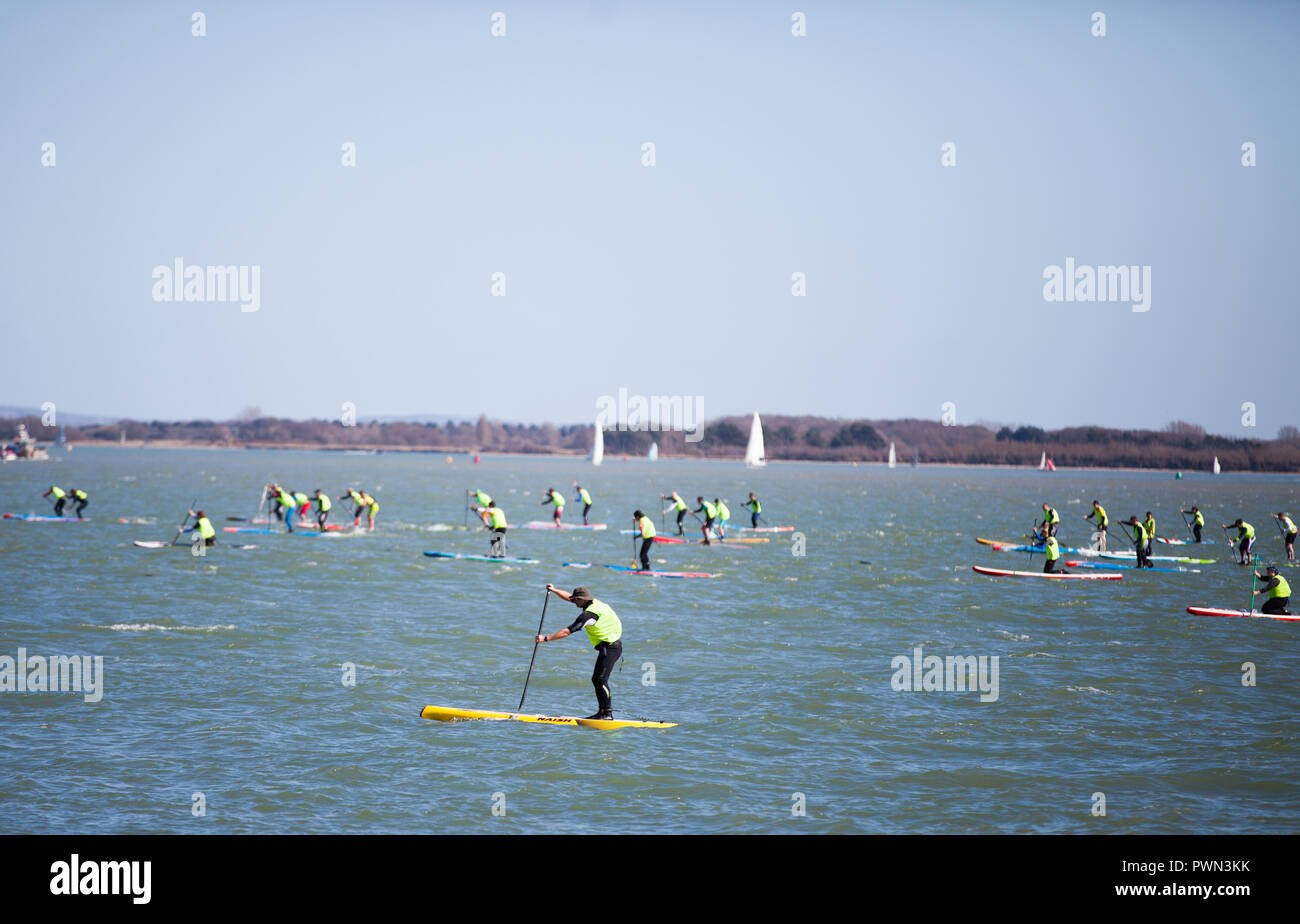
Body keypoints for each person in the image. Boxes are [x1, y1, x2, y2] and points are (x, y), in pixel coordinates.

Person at [537, 585, 623, 720]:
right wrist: (554, 590)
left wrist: (546, 638)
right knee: (597, 680)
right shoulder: (594, 603)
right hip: (610, 646)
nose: (573, 602)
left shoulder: (588, 615)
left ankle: (607, 713)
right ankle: (603, 712)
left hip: (611, 648)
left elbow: (567, 631)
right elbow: (570, 598)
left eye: (576, 600)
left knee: (600, 680)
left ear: (582, 599)